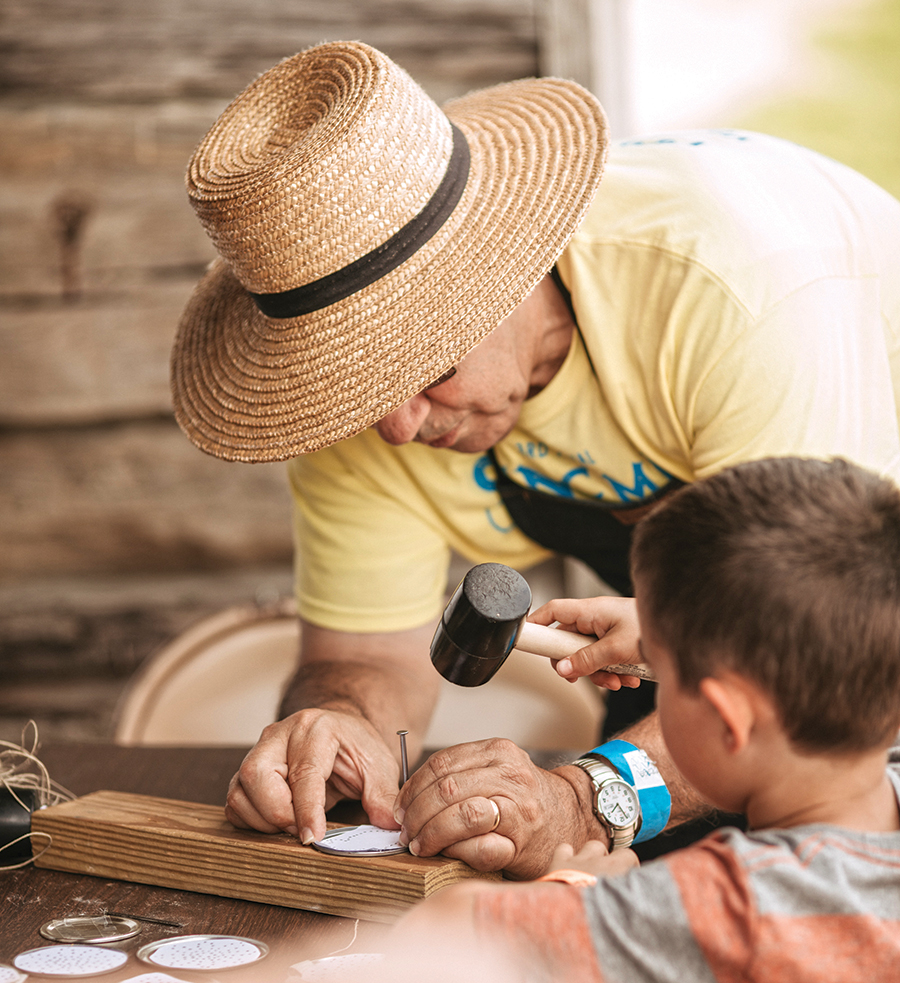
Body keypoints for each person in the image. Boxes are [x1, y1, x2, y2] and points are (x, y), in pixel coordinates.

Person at [169, 39, 900, 876]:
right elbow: (363, 657)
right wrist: (336, 723)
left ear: (505, 266)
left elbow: (798, 666)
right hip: (732, 637)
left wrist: (586, 799)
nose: (401, 427)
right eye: (365, 390)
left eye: (428, 371)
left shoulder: (739, 292)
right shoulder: (361, 414)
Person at [380, 456, 900, 982]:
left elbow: (439, 935)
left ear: (728, 721)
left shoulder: (711, 914)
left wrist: (573, 888)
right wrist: (670, 639)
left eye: (664, 679)